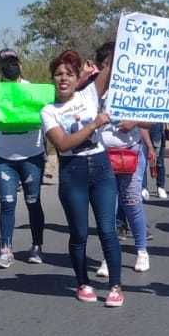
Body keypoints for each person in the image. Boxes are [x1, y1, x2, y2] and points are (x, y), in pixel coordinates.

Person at [39, 48, 122, 305]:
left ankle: (115, 287)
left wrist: (125, 33)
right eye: (58, 74)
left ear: (77, 78)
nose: (63, 78)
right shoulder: (48, 111)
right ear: (53, 79)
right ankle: (82, 283)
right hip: (72, 173)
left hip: (101, 169)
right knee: (79, 233)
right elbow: (63, 144)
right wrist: (94, 125)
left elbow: (110, 66)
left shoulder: (89, 94)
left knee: (108, 229)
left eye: (68, 73)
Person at [87, 40, 155, 276]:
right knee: (108, 208)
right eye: (106, 64)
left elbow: (150, 120)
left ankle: (142, 251)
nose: (110, 69)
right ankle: (108, 256)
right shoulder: (91, 92)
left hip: (130, 154)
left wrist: (134, 121)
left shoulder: (133, 87)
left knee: (132, 203)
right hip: (102, 156)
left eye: (114, 63)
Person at [0, 46, 47, 268]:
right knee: (7, 203)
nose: (9, 66)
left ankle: (36, 246)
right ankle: (5, 249)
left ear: (20, 65)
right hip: (4, 157)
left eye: (13, 62)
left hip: (32, 156)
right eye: (4, 64)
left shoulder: (36, 91)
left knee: (33, 202)